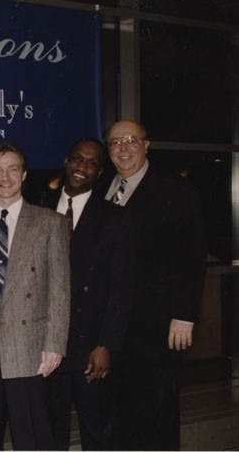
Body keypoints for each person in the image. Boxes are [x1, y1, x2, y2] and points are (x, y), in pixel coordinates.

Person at [103, 119, 206, 450]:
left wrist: (185, 314)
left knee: (156, 416)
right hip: (115, 330)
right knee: (120, 415)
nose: (123, 148)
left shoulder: (176, 191)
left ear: (147, 146)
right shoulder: (104, 190)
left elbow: (192, 257)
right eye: (116, 142)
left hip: (159, 328)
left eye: (132, 140)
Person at [0, 140, 70, 450]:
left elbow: (60, 288)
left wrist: (55, 343)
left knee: (31, 435)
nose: (5, 177)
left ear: (24, 175)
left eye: (13, 169)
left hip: (30, 345)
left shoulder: (49, 223)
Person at [44, 138, 135, 449]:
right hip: (47, 346)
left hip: (91, 347)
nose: (83, 167)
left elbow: (122, 288)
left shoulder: (115, 218)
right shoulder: (37, 208)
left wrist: (107, 344)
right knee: (50, 432)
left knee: (96, 432)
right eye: (78, 159)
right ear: (67, 160)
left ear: (100, 172)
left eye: (92, 163)